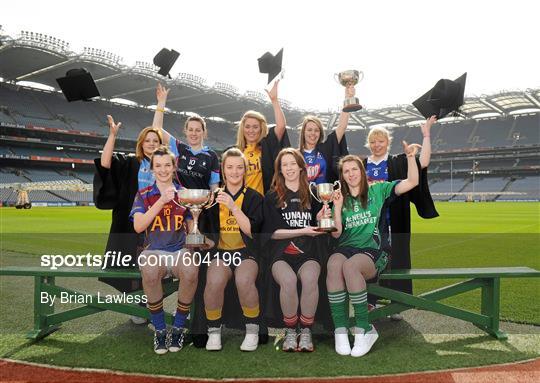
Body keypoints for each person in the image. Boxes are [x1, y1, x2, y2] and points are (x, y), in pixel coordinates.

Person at [327, 147, 420, 357]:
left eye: (354, 169)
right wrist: (337, 206)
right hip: (345, 248)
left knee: (350, 267)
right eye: (346, 171)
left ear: (361, 171)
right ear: (342, 175)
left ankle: (364, 329)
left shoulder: (377, 190)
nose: (351, 174)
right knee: (333, 263)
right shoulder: (339, 198)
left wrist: (410, 157)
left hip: (373, 250)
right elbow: (336, 234)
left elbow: (412, 182)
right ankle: (340, 330)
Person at [94, 112, 172, 323]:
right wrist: (112, 135)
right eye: (147, 140)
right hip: (131, 223)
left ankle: (152, 303)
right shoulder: (130, 163)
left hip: (159, 224)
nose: (151, 144)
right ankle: (139, 305)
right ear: (141, 143)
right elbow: (105, 163)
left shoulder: (165, 167)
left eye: (155, 141)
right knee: (134, 264)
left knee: (159, 265)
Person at [363, 116, 439, 318]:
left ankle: (397, 302)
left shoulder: (398, 161)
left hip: (395, 220)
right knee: (370, 260)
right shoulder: (362, 164)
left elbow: (423, 162)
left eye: (380, 141)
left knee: (397, 259)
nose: (376, 145)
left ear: (388, 142)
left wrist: (426, 135)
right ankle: (371, 301)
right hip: (369, 225)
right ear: (368, 144)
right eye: (372, 141)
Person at [130, 146, 197, 355]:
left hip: (178, 250)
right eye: (158, 166)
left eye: (167, 165)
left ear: (174, 167)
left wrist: (196, 224)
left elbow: (191, 230)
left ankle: (177, 327)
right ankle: (159, 329)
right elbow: (139, 226)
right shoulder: (144, 194)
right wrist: (161, 200)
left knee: (191, 268)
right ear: (152, 169)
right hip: (154, 251)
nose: (163, 169)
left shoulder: (184, 194)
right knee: (149, 271)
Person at [262, 148, 329, 352]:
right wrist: (303, 230)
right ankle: (290, 331)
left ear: (301, 167)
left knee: (310, 279)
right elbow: (271, 234)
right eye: (285, 165)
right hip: (281, 254)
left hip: (309, 254)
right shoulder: (272, 196)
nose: (289, 168)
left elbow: (321, 228)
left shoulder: (314, 194)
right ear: (280, 170)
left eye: (293, 163)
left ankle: (306, 331)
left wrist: (320, 220)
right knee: (289, 281)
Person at [201, 148, 264, 351]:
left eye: (239, 167)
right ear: (223, 170)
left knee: (244, 280)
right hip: (221, 253)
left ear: (245, 170)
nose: (234, 172)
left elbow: (253, 233)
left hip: (246, 252)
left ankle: (252, 331)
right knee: (214, 280)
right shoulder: (212, 199)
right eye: (230, 167)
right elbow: (205, 233)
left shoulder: (254, 198)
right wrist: (205, 242)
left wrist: (234, 207)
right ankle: (213, 331)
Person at [152, 83, 220, 190]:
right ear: (186, 132)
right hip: (178, 204)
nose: (194, 133)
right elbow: (156, 128)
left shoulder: (211, 156)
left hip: (201, 203)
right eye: (191, 130)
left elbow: (214, 186)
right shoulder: (178, 147)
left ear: (204, 132)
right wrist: (161, 103)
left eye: (198, 130)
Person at [235, 80, 289, 195]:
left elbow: (281, 126)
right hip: (240, 204)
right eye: (248, 127)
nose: (251, 130)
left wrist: (274, 100)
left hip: (263, 203)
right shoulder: (235, 152)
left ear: (261, 129)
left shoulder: (266, 146)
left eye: (255, 127)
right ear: (242, 129)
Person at [298, 86, 353, 184]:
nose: (313, 133)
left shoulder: (326, 148)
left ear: (320, 133)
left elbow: (342, 127)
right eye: (309, 130)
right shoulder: (296, 155)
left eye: (316, 130)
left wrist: (347, 98)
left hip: (326, 197)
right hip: (303, 198)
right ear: (303, 132)